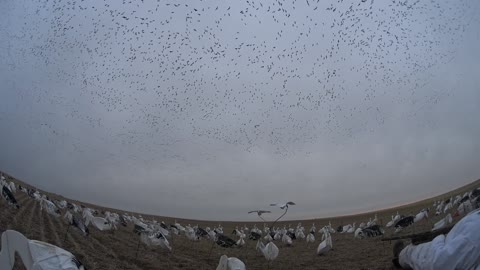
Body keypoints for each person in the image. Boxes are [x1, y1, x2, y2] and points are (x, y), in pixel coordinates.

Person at [393, 208, 480, 269]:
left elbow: (441, 263)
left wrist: (439, 237)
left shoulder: (476, 226)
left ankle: (402, 256)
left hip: (443, 254)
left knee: (419, 250)